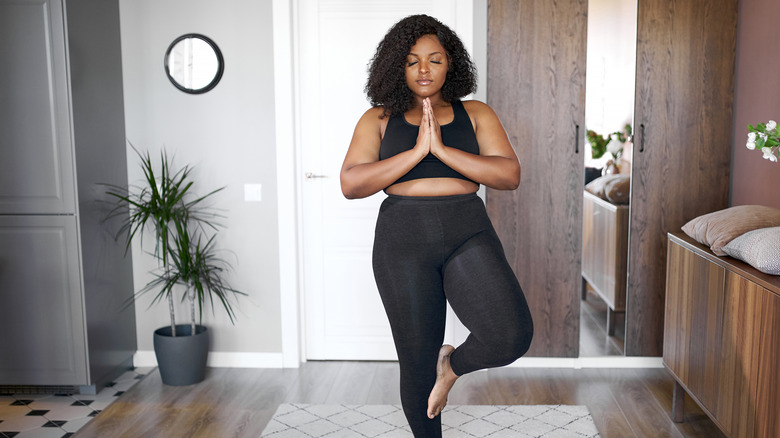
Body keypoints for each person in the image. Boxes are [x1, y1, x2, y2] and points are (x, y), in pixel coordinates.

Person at [340, 14, 534, 437]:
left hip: (466, 227)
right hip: (402, 238)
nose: (424, 70)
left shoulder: (476, 113)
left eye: (435, 59)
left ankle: (452, 367)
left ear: (452, 64)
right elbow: (351, 183)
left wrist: (442, 150)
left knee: (510, 335)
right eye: (412, 61)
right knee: (416, 363)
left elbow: (508, 175)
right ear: (397, 66)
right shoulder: (377, 119)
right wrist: (415, 153)